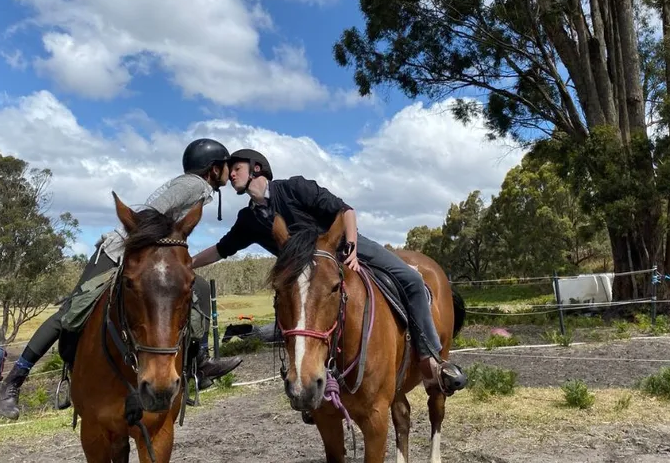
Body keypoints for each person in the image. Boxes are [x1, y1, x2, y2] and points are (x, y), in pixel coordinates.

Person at [0, 138, 244, 421]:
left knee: (194, 287)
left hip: (147, 251)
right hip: (118, 251)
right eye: (226, 166)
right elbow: (150, 213)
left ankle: (199, 363)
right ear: (213, 169)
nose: (230, 171)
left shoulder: (198, 187)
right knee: (71, 312)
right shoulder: (194, 185)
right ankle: (13, 381)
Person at [191, 149, 467, 403]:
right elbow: (220, 249)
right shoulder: (247, 220)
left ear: (257, 168)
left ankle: (431, 360)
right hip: (311, 281)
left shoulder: (294, 187)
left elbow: (345, 210)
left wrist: (353, 249)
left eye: (236, 167)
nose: (232, 173)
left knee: (412, 280)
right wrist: (187, 264)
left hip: (344, 247)